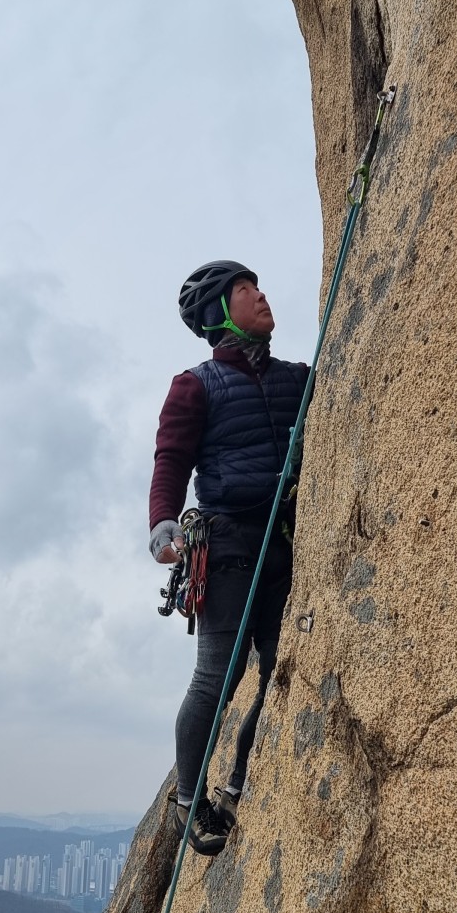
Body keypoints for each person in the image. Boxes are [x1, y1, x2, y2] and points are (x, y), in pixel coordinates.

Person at [149, 262, 309, 855]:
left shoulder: (297, 378)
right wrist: (162, 525)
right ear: (221, 311)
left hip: (285, 540)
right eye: (248, 290)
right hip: (229, 544)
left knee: (282, 665)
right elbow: (171, 460)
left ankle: (239, 776)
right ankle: (189, 803)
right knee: (219, 673)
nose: (263, 295)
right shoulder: (196, 385)